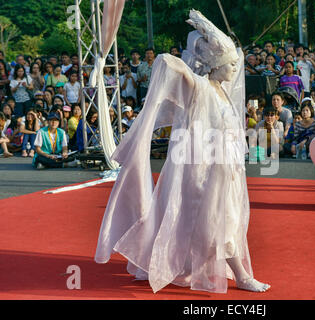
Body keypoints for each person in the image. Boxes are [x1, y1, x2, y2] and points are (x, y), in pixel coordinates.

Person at [94, 10, 270, 294]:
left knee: (214, 223)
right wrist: (188, 56)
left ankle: (181, 264)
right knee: (216, 223)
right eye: (230, 64)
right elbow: (167, 63)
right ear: (214, 64)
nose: (234, 70)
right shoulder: (199, 87)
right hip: (200, 173)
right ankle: (241, 274)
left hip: (225, 173)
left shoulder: (223, 93)